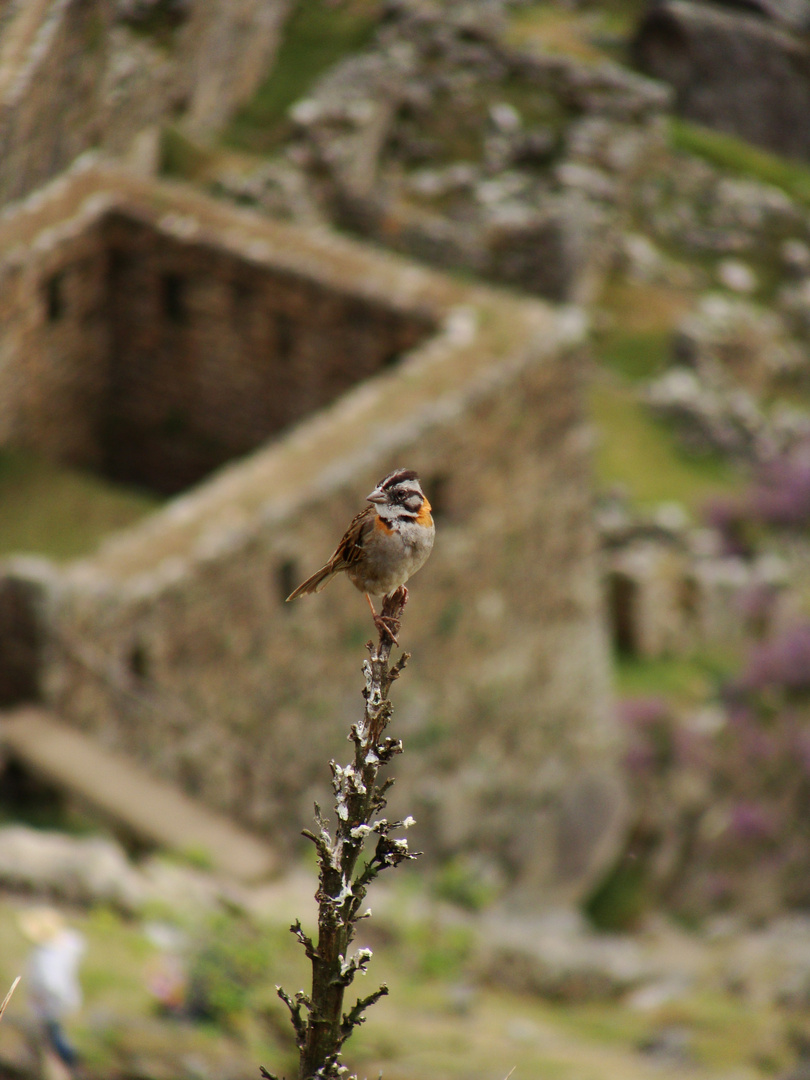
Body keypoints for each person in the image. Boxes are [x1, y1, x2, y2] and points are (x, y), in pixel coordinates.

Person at [18, 907, 85, 1074]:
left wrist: (45, 998)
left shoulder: (46, 955)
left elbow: (51, 982)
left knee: (54, 1041)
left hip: (51, 1004)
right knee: (57, 1038)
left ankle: (70, 1068)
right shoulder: (65, 948)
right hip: (63, 1001)